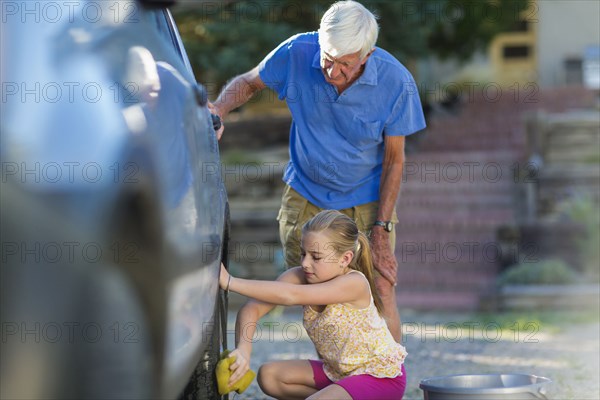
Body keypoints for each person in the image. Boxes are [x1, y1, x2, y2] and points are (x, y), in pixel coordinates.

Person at [210, 0, 426, 342]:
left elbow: (394, 160)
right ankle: (341, 376)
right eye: (328, 58)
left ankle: (389, 381)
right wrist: (218, 109)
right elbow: (250, 82)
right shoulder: (297, 52)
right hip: (306, 194)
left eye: (345, 64)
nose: (332, 72)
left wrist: (381, 231)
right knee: (312, 291)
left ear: (367, 55)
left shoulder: (396, 82)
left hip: (365, 198)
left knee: (381, 287)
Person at [220, 210, 408, 400]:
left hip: (378, 377)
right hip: (339, 374)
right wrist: (243, 350)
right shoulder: (298, 276)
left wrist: (230, 281)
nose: (305, 263)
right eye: (303, 253)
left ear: (345, 259)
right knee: (269, 376)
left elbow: (290, 296)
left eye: (315, 257)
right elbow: (252, 309)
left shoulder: (354, 283)